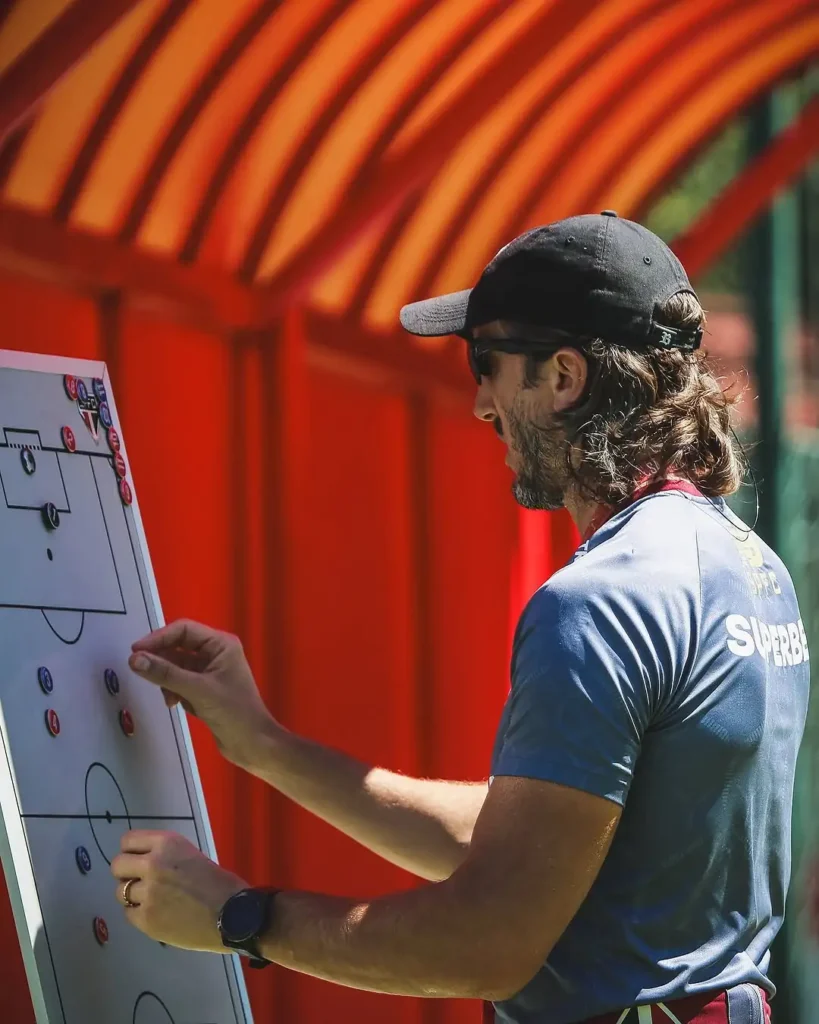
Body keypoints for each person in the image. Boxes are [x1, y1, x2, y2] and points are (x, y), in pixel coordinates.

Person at [111, 212, 809, 1024]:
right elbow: (542, 839)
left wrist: (237, 917)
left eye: (488, 364)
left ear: (563, 376)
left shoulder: (599, 599)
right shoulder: (749, 564)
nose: (480, 403)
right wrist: (264, 745)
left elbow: (484, 942)